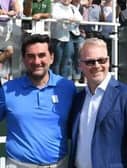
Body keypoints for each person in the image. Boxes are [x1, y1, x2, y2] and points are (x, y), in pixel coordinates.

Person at [68, 38, 127, 168]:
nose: (96, 65)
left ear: (109, 61)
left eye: (102, 60)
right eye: (90, 62)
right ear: (80, 65)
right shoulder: (78, 99)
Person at [0, 34, 76, 168]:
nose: (36, 61)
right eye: (31, 56)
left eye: (42, 55)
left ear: (51, 57)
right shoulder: (7, 90)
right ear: (23, 59)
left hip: (58, 165)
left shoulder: (67, 88)